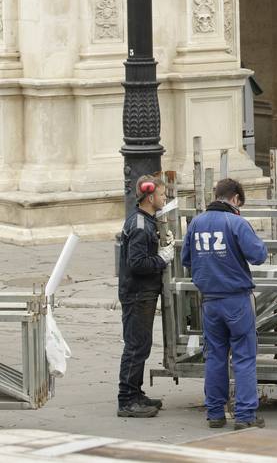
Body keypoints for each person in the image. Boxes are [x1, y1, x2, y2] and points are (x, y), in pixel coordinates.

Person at [182, 178, 268, 430]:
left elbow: (186, 258)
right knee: (243, 357)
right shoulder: (236, 222)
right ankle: (244, 415)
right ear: (235, 199)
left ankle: (215, 413)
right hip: (236, 299)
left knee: (215, 357)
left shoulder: (196, 223)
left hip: (209, 301)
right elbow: (259, 255)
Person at [117, 174, 175, 418]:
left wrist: (161, 245)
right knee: (136, 346)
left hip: (142, 293)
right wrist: (162, 257)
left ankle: (135, 392)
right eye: (162, 195)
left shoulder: (144, 221)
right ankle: (127, 400)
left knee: (141, 345)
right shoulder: (140, 226)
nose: (165, 198)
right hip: (138, 293)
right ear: (150, 197)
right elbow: (138, 263)